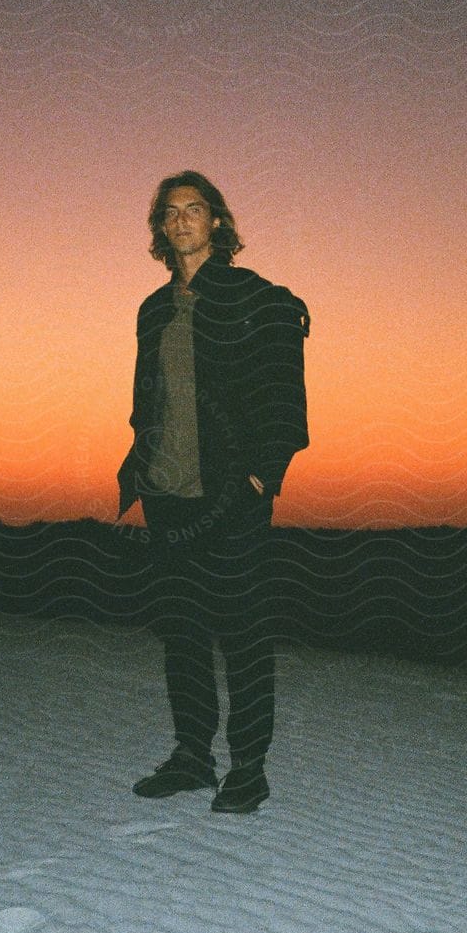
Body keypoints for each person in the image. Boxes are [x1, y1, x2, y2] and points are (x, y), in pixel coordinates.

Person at [117, 171, 310, 814]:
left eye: (194, 209)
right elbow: (145, 401)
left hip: (232, 498)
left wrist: (264, 472)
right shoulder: (152, 310)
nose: (181, 220)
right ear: (159, 230)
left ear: (217, 222)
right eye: (169, 213)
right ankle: (193, 757)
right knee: (183, 631)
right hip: (170, 495)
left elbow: (285, 387)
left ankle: (247, 769)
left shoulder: (256, 297)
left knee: (244, 634)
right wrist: (140, 466)